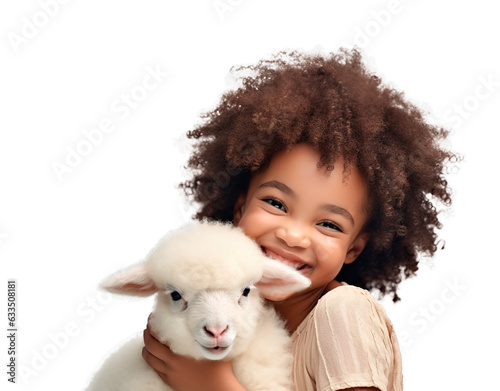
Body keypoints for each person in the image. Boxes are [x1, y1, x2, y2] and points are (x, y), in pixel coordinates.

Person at [141, 48, 457, 391]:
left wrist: (217, 387)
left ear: (354, 249)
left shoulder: (342, 313)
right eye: (276, 203)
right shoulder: (232, 326)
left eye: (329, 224)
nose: (293, 236)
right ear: (238, 209)